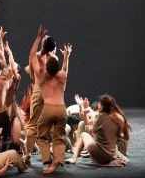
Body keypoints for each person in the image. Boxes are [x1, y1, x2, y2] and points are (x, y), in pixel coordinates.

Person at [30, 24, 72, 174]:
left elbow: (32, 56)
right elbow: (65, 69)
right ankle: (57, 161)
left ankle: (47, 161)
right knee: (59, 137)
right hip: (61, 109)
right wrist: (66, 57)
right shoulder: (62, 76)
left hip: (48, 109)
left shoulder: (41, 76)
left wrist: (39, 37)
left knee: (41, 137)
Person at [66, 94, 130, 166]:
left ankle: (74, 159)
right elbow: (125, 136)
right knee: (124, 159)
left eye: (99, 103)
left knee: (84, 135)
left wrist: (89, 112)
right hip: (112, 153)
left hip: (101, 154)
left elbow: (92, 132)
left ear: (102, 105)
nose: (98, 105)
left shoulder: (101, 116)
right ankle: (112, 159)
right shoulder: (119, 117)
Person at [25, 28, 58, 164]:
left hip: (40, 91)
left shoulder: (37, 56)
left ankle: (28, 154)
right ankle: (47, 155)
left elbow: (31, 54)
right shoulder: (54, 58)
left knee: (33, 124)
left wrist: (39, 36)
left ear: (42, 45)